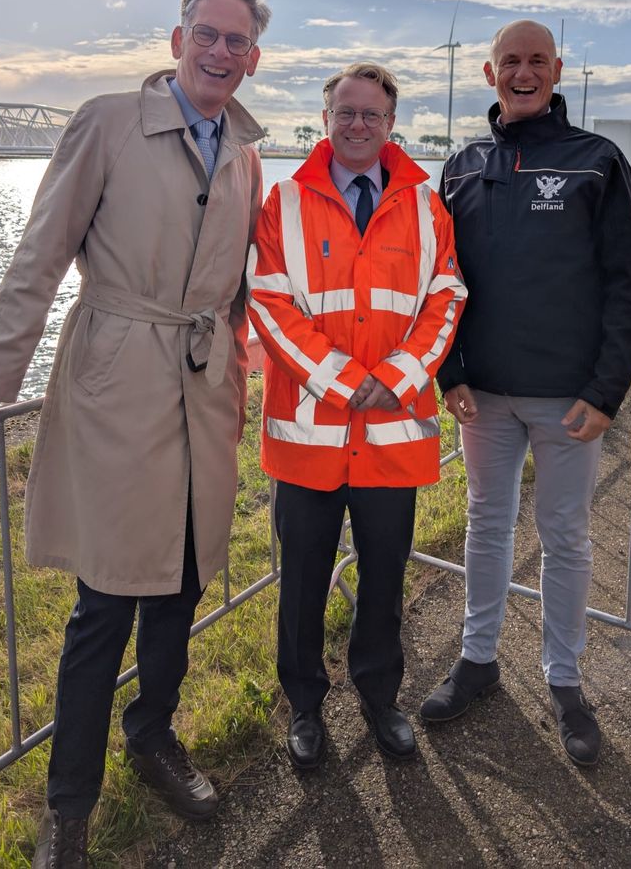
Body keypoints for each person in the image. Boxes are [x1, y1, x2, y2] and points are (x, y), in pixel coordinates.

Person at [0, 0, 270, 867]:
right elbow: (41, 252)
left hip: (203, 390)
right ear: (176, 38)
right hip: (119, 378)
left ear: (255, 58)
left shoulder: (247, 150)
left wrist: (246, 364)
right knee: (106, 600)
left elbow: (239, 285)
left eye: (237, 40)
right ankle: (67, 805)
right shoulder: (108, 121)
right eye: (208, 33)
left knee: (184, 582)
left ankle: (153, 736)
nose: (221, 51)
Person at [419, 20, 631, 768]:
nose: (523, 73)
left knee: (565, 535)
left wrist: (607, 390)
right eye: (509, 62)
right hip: (481, 397)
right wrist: (448, 371)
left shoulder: (597, 162)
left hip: (568, 400)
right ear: (489, 73)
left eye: (536, 62)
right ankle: (477, 662)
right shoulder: (459, 166)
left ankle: (566, 680)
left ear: (557, 69)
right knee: (487, 524)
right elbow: (440, 281)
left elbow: (626, 285)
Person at [246, 62, 466, 769]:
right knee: (303, 584)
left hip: (391, 435)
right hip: (310, 437)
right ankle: (305, 708)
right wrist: (342, 379)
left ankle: (380, 698)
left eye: (372, 114)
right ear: (325, 117)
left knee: (383, 580)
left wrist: (399, 376)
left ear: (391, 123)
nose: (358, 125)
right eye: (346, 112)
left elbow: (447, 296)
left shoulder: (426, 207)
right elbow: (268, 300)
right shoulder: (283, 202)